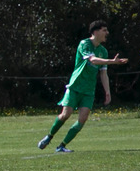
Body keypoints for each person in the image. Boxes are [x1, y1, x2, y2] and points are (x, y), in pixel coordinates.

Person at [38, 20, 128, 152]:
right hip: (75, 86)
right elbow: (92, 60)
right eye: (104, 30)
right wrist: (112, 62)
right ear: (95, 32)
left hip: (88, 90)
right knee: (65, 115)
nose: (107, 33)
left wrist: (107, 92)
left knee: (83, 118)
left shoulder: (103, 51)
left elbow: (103, 73)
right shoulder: (84, 44)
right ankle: (49, 136)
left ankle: (62, 146)